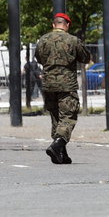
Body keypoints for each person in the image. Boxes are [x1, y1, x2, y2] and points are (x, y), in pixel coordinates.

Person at [35, 12, 91, 164]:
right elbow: (85, 58)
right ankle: (58, 143)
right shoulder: (72, 40)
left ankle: (61, 154)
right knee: (68, 116)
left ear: (54, 25)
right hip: (67, 84)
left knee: (56, 118)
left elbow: (38, 58)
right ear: (67, 25)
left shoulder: (43, 40)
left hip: (48, 84)